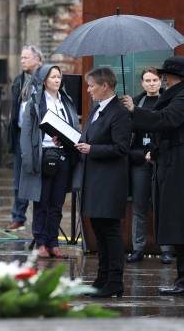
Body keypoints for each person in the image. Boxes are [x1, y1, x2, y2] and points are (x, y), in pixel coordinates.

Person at [123, 56, 184, 296]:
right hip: (172, 163)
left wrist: (134, 110)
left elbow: (167, 120)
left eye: (166, 75)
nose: (163, 79)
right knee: (180, 222)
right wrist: (155, 149)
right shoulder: (176, 95)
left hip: (182, 167)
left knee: (183, 222)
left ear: (177, 77)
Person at [74, 67, 131, 298]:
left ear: (105, 86)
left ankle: (115, 281)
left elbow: (121, 148)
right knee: (98, 229)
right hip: (94, 180)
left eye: (91, 86)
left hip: (109, 182)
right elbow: (87, 137)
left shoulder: (119, 113)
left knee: (110, 231)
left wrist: (92, 149)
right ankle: (102, 277)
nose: (88, 90)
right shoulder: (96, 109)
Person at [18, 65, 79, 259]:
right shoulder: (35, 103)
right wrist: (28, 160)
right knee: (41, 201)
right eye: (53, 77)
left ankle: (53, 242)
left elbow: (72, 126)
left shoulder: (66, 101)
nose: (57, 80)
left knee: (57, 202)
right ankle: (41, 242)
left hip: (63, 156)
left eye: (59, 77)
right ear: (44, 80)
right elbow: (26, 133)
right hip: (43, 156)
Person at [125, 68, 173, 265]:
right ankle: (138, 248)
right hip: (139, 161)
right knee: (139, 205)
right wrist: (139, 155)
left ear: (160, 82)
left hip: (161, 159)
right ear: (142, 83)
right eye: (147, 80)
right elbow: (127, 134)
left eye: (155, 80)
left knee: (164, 205)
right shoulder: (135, 103)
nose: (152, 83)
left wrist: (155, 152)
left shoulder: (168, 102)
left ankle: (167, 249)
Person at [7, 44, 43, 231]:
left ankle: (38, 217)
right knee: (18, 178)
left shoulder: (44, 78)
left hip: (38, 134)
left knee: (37, 176)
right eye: (21, 57)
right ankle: (18, 216)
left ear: (38, 59)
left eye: (26, 57)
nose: (22, 61)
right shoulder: (19, 81)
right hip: (21, 132)